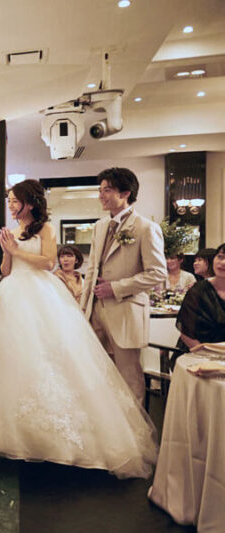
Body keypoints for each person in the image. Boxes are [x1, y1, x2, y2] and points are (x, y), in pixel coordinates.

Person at [0, 179, 158, 479]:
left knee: (50, 357)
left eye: (15, 200)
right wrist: (6, 251)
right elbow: (6, 271)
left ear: (30, 202)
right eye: (10, 200)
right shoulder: (12, 231)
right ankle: (9, 432)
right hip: (12, 293)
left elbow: (48, 262)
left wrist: (18, 249)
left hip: (39, 294)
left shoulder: (46, 229)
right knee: (10, 359)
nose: (11, 205)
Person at [80, 168, 167, 405]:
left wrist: (116, 287)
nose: (101, 195)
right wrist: (83, 307)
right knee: (96, 373)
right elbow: (92, 271)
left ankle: (135, 437)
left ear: (126, 193)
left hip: (126, 311)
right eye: (100, 190)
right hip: (96, 311)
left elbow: (158, 273)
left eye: (107, 190)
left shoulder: (146, 228)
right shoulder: (99, 226)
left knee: (129, 377)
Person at [175, 243, 225, 351]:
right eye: (220, 257)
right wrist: (206, 355)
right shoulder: (199, 291)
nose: (223, 263)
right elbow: (186, 332)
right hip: (199, 354)